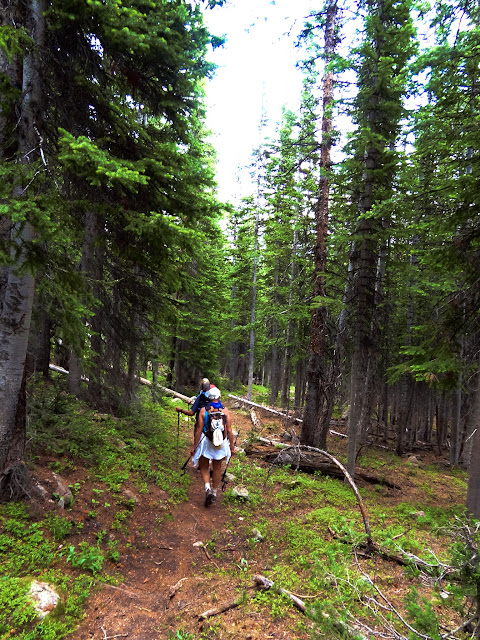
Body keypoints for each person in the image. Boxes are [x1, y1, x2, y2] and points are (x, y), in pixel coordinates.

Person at [191, 386, 235, 506]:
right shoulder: (225, 411)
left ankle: (207, 488)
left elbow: (198, 430)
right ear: (219, 396)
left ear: (208, 397)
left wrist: (194, 446)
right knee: (217, 467)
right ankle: (214, 492)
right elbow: (229, 430)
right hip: (220, 443)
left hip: (206, 441)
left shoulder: (203, 411)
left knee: (204, 465)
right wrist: (231, 446)